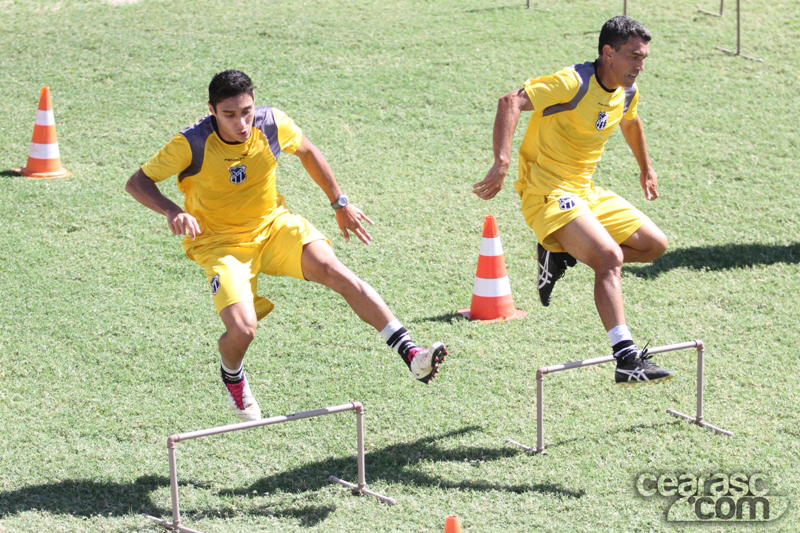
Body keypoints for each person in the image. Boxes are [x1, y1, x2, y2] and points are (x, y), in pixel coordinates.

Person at [126, 70, 446, 421]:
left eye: (246, 111)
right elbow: (138, 181)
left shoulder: (273, 123)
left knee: (336, 271)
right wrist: (172, 210)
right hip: (221, 245)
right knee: (243, 329)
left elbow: (308, 152)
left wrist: (340, 204)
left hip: (274, 226)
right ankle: (233, 378)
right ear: (212, 110)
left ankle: (411, 354)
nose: (241, 123)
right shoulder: (191, 143)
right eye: (229, 115)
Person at [473, 16, 673, 386]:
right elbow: (510, 102)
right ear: (607, 53)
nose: (640, 66)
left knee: (654, 245)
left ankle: (562, 253)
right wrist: (501, 161)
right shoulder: (573, 82)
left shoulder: (627, 90)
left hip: (585, 192)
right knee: (609, 258)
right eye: (633, 57)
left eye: (644, 58)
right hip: (546, 193)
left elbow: (630, 121)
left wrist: (646, 168)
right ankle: (626, 358)